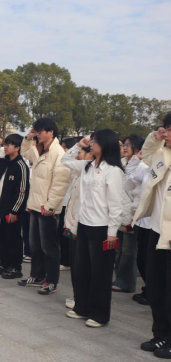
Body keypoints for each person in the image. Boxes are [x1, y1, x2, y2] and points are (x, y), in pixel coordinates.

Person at [61, 130, 123, 328]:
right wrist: (79, 144)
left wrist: (112, 233)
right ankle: (82, 307)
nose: (92, 144)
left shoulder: (113, 171)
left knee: (100, 273)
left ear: (105, 144)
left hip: (102, 228)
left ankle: (99, 314)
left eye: (95, 141)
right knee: (82, 269)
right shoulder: (87, 166)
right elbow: (65, 160)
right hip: (84, 224)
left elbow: (116, 205)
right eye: (92, 141)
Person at [133, 117, 171, 358]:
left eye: (170, 130)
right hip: (156, 231)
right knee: (156, 288)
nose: (166, 134)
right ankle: (161, 335)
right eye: (166, 129)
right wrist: (154, 137)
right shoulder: (162, 155)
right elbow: (145, 156)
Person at [19, 118, 71, 295]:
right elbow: (25, 152)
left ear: (51, 132)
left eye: (40, 130)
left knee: (49, 247)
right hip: (35, 205)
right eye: (36, 130)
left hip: (47, 208)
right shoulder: (40, 149)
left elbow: (60, 183)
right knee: (35, 244)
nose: (38, 134)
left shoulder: (58, 153)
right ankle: (37, 275)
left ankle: (51, 280)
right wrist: (28, 137)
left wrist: (50, 206)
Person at [0, 134, 30, 279]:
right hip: (0, 208)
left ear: (17, 148)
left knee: (13, 239)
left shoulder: (21, 166)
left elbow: (22, 192)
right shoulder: (3, 162)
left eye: (9, 145)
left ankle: (15, 267)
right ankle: (3, 264)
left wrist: (14, 211)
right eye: (5, 144)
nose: (5, 147)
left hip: (12, 211)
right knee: (2, 238)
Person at [62, 145, 94, 310]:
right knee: (75, 264)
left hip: (79, 225)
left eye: (80, 152)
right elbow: (65, 159)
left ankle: (81, 298)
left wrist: (74, 227)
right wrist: (78, 145)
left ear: (89, 154)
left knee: (80, 265)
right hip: (71, 223)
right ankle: (77, 295)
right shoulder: (79, 171)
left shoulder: (88, 173)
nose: (77, 155)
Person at [113, 135, 145, 293]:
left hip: (130, 216)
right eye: (123, 145)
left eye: (128, 145)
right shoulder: (121, 163)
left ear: (137, 148)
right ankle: (119, 279)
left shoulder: (141, 166)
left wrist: (133, 216)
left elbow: (138, 194)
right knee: (119, 250)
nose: (124, 148)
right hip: (119, 213)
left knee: (128, 251)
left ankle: (126, 282)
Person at [128, 150, 152, 305]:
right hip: (144, 221)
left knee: (154, 262)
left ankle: (153, 291)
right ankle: (150, 288)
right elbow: (129, 175)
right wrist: (137, 158)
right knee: (142, 260)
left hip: (159, 226)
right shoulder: (146, 168)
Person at [59, 137, 80, 270]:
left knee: (70, 234)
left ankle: (68, 260)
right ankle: (65, 259)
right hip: (65, 202)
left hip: (73, 205)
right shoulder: (73, 164)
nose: (63, 150)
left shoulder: (79, 166)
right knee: (65, 233)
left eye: (65, 148)